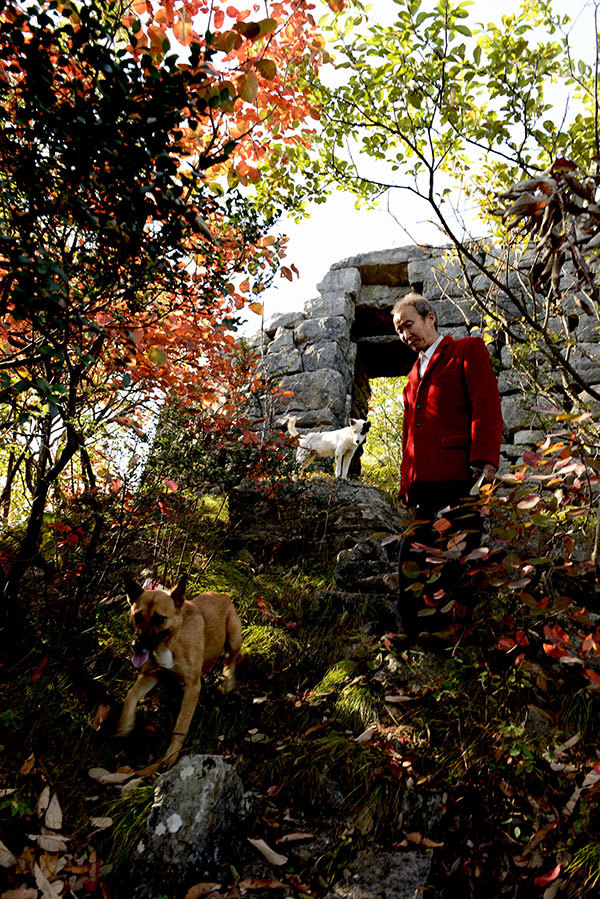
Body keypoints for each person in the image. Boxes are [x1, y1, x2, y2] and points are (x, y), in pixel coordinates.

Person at [391, 292, 503, 639]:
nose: (405, 334)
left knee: (458, 554)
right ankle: (409, 632)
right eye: (399, 330)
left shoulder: (467, 350)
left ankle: (453, 634)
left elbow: (486, 405)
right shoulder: (412, 374)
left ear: (430, 318)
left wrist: (484, 461)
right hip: (422, 483)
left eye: (409, 324)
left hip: (460, 476)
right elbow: (410, 432)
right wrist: (405, 483)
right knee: (411, 556)